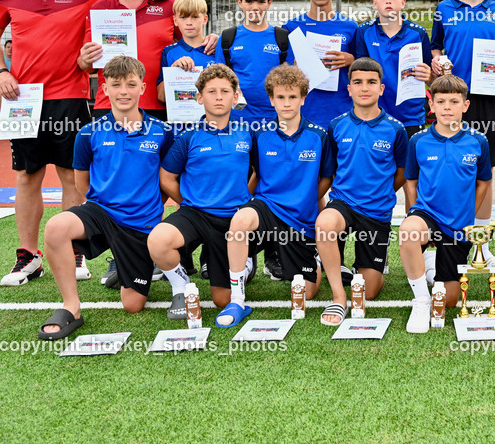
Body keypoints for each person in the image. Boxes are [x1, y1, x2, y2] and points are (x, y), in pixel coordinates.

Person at [0, 0, 166, 287]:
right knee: (26, 176)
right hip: (24, 99)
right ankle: (27, 256)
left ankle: (76, 252)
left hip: (70, 95)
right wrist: (0, 70)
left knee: (71, 175)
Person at [37, 56, 173, 340]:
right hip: (102, 212)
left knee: (132, 306)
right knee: (56, 227)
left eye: (131, 84)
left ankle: (125, 266)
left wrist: (147, 206)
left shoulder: (163, 132)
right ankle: (71, 307)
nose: (124, 91)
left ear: (143, 88)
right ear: (105, 89)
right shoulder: (88, 133)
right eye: (116, 84)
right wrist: (103, 203)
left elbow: (166, 181)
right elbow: (82, 184)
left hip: (141, 225)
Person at [214, 64, 336, 327]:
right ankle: (238, 298)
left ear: (303, 98)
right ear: (271, 99)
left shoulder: (319, 136)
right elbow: (256, 173)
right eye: (280, 97)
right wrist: (245, 204)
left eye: (293, 97)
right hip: (268, 207)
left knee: (304, 296)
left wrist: (307, 199)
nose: (287, 103)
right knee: (240, 222)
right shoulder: (259, 135)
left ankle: (313, 259)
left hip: (300, 221)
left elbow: (326, 176)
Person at [430, 0, 495, 271]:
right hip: (450, 98)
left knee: (485, 174)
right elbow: (436, 46)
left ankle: (481, 246)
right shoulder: (444, 8)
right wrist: (438, 61)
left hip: (486, 98)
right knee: (445, 168)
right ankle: (438, 243)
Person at [148, 64, 255, 319]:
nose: (219, 97)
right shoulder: (188, 136)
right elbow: (166, 176)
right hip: (195, 213)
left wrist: (244, 196)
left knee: (222, 300)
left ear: (235, 96)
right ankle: (181, 284)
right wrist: (188, 201)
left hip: (232, 220)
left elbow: (258, 172)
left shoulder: (248, 132)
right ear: (199, 97)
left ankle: (245, 263)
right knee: (158, 240)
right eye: (211, 91)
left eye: (225, 91)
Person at [316, 57, 409, 325]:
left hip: (376, 211)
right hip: (343, 204)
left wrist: (380, 192)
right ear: (349, 89)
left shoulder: (395, 128)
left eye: (371, 82)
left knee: (370, 290)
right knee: (324, 224)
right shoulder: (336, 126)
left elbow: (402, 173)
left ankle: (357, 266)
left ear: (381, 88)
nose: (364, 87)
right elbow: (330, 171)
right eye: (357, 82)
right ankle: (338, 298)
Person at [400, 74, 493, 332]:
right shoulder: (418, 141)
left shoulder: (478, 141)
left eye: (454, 101)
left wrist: (469, 214)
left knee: (449, 300)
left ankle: (430, 267)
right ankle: (420, 300)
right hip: (426, 213)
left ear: (465, 105)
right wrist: (414, 216)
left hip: (458, 224)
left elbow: (484, 182)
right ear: (432, 106)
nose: (447, 107)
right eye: (440, 101)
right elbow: (411, 182)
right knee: (408, 232)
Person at [79, 0, 192, 121]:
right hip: (110, 105)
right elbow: (87, 65)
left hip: (157, 105)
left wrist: (212, 40)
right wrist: (85, 59)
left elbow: (192, 42)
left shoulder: (170, 6)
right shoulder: (100, 8)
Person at [354, 0, 433, 135]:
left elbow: (433, 81)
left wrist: (429, 76)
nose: (388, 1)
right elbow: (359, 74)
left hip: (411, 117)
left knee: (408, 161)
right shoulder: (364, 32)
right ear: (375, 3)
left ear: (403, 2)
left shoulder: (418, 33)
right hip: (375, 115)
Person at [283, 0, 358, 128]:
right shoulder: (291, 28)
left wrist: (351, 59)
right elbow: (283, 72)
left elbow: (364, 69)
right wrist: (292, 69)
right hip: (304, 113)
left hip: (342, 113)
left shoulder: (351, 27)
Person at [214, 0, 294, 126]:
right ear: (240, 3)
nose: (255, 7)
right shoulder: (227, 38)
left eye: (261, 1)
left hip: (274, 119)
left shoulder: (281, 38)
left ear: (269, 3)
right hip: (236, 118)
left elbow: (290, 80)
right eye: (249, 1)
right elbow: (219, 78)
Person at [156, 0, 216, 105]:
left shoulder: (216, 49)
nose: (189, 22)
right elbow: (161, 97)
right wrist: (173, 71)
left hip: (213, 120)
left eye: (195, 17)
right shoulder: (168, 52)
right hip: (180, 121)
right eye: (183, 17)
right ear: (175, 21)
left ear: (205, 19)